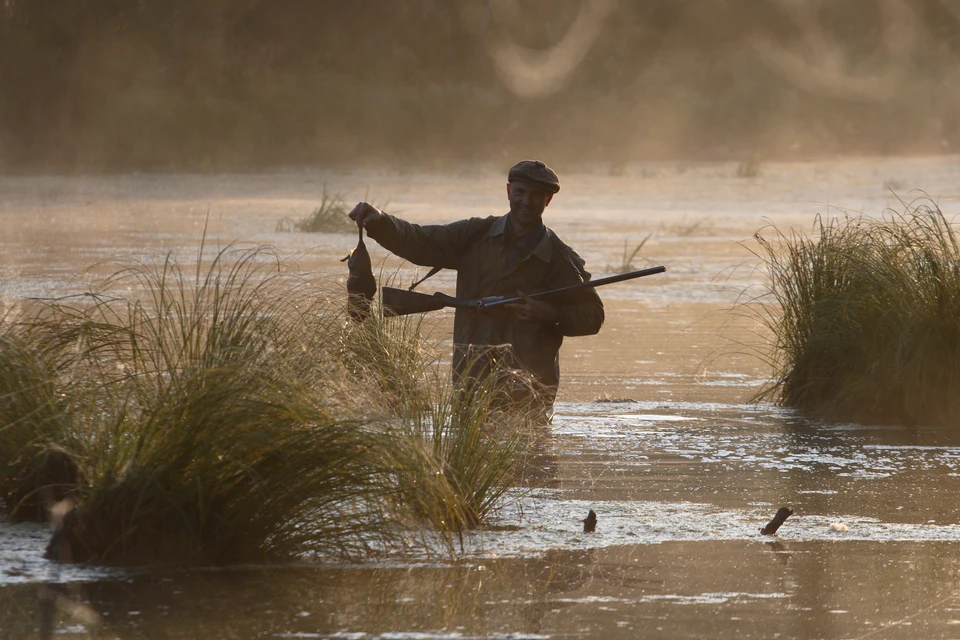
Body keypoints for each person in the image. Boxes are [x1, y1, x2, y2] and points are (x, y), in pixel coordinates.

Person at [348, 159, 604, 417]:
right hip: (471, 383)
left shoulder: (559, 258)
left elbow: (593, 315)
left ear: (548, 199)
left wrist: (550, 314)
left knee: (530, 455)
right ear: (508, 192)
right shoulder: (474, 234)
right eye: (521, 192)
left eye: (537, 195)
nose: (527, 201)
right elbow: (420, 242)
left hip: (530, 392)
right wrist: (380, 221)